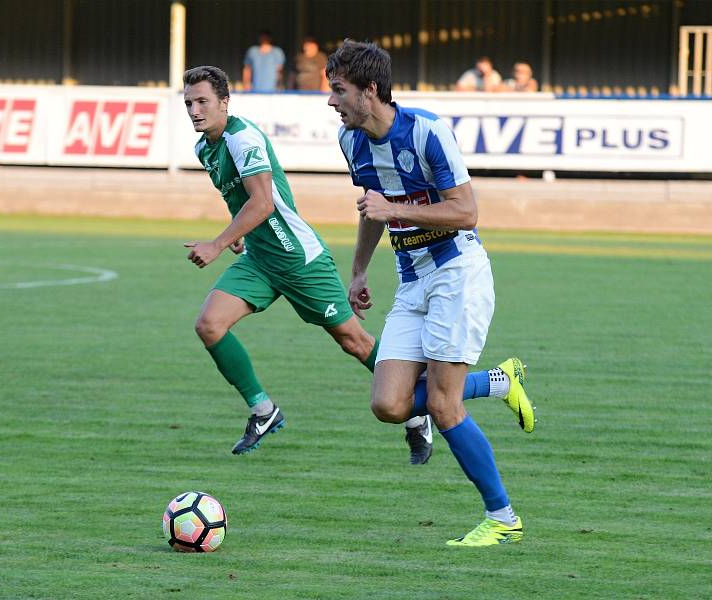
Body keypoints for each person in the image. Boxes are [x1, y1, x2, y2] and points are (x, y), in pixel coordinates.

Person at [182, 65, 534, 462]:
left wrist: (218, 242)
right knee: (209, 324)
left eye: (203, 102)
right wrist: (239, 234)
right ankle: (263, 410)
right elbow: (247, 201)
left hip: (298, 259)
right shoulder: (205, 148)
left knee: (356, 342)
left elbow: (264, 201)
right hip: (260, 259)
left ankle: (436, 409)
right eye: (189, 103)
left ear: (225, 103)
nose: (195, 110)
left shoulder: (243, 139)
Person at [326, 40, 533, 545]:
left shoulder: (427, 131)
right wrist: (357, 272)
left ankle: (503, 520)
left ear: (370, 90)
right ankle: (497, 382)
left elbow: (466, 212)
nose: (332, 101)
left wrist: (394, 210)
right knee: (389, 405)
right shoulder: (351, 143)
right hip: (411, 280)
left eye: (339, 90)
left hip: (456, 275)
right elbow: (373, 209)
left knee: (443, 407)